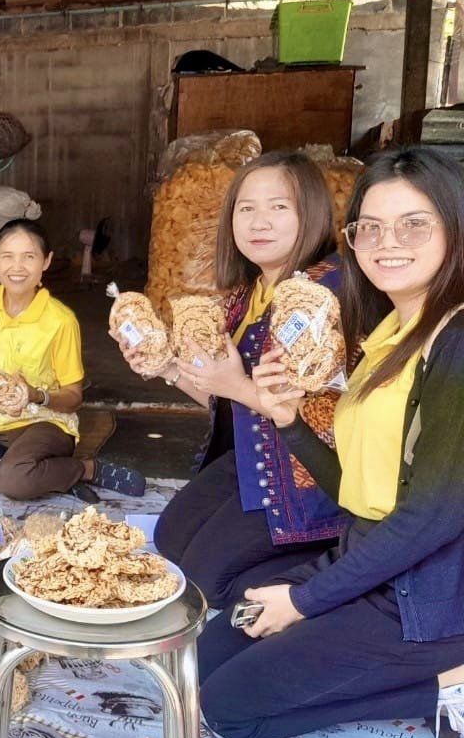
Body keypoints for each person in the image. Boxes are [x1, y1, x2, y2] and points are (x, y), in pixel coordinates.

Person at [200, 146, 464, 738]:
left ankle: (442, 683)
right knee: (208, 653)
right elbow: (355, 489)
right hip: (370, 556)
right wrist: (288, 420)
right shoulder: (392, 333)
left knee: (228, 709)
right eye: (370, 227)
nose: (386, 243)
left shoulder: (456, 342)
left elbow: (434, 516)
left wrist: (304, 600)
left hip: (428, 596)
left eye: (413, 224)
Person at [124, 151, 346, 608]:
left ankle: (337, 568)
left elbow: (332, 417)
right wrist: (165, 366)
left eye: (279, 207)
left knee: (206, 584)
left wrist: (239, 387)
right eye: (246, 208)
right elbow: (224, 396)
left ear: (312, 211)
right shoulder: (246, 295)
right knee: (170, 538)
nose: (258, 222)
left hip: (309, 477)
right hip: (253, 458)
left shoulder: (326, 293)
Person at [0, 218, 144, 503]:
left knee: (15, 479)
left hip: (46, 426)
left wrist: (35, 395)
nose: (17, 267)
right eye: (7, 256)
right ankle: (43, 475)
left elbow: (74, 398)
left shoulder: (60, 320)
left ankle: (84, 469)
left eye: (29, 257)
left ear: (46, 262)